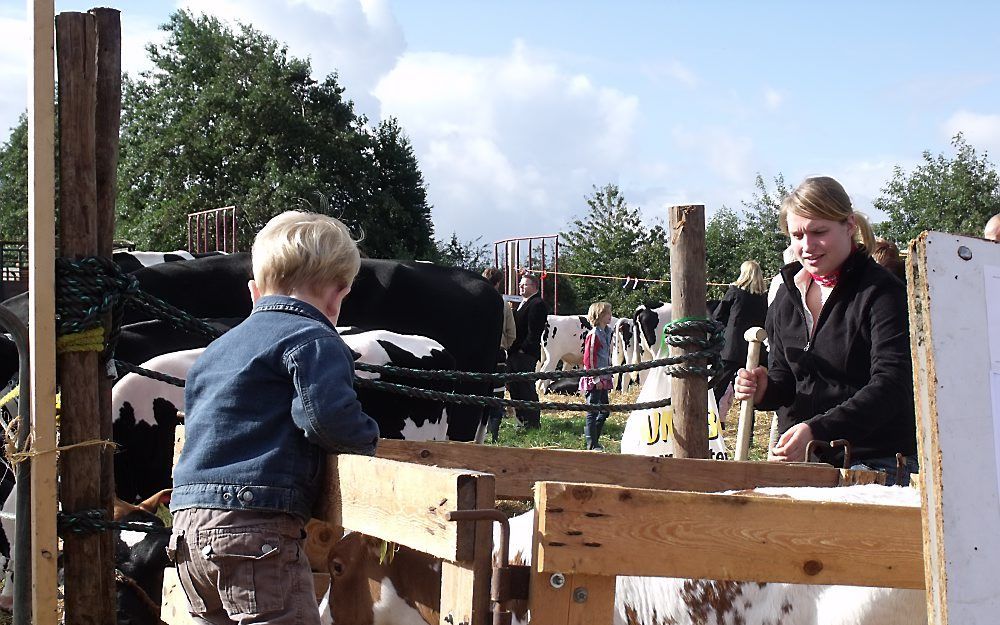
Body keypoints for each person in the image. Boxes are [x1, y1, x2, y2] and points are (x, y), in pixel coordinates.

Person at [169, 211, 380, 625]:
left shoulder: (216, 350)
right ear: (338, 296)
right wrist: (369, 441)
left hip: (187, 531)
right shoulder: (314, 339)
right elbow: (326, 419)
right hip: (254, 529)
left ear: (253, 291)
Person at [733, 176, 918, 486]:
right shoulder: (787, 296)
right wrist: (766, 389)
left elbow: (892, 385)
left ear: (849, 226)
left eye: (819, 232)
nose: (807, 246)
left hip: (877, 463)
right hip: (805, 464)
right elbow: (786, 381)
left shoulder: (882, 293)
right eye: (797, 235)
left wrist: (819, 430)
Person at [711, 260, 767, 419]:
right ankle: (747, 434)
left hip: (732, 349)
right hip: (754, 350)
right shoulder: (763, 298)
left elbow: (718, 316)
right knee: (749, 395)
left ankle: (711, 426)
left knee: (718, 389)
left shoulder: (734, 291)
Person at [506, 272, 548, 429]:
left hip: (525, 354)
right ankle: (521, 421)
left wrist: (523, 350)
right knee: (515, 388)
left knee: (526, 388)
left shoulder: (537, 304)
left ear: (534, 286)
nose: (521, 287)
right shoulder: (523, 303)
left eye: (525, 284)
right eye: (520, 285)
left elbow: (534, 331)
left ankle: (532, 422)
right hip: (515, 353)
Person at [482, 267, 516, 442]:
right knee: (497, 395)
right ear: (498, 282)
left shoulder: (473, 298)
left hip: (477, 353)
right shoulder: (502, 304)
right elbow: (511, 333)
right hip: (497, 353)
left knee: (476, 393)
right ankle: (493, 436)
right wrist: (504, 347)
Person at [579, 301, 614, 450]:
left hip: (604, 376)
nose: (610, 316)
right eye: (607, 314)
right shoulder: (593, 335)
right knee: (592, 411)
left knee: (604, 410)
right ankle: (591, 443)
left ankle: (595, 438)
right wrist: (595, 378)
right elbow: (589, 358)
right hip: (596, 378)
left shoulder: (607, 332)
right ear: (599, 315)